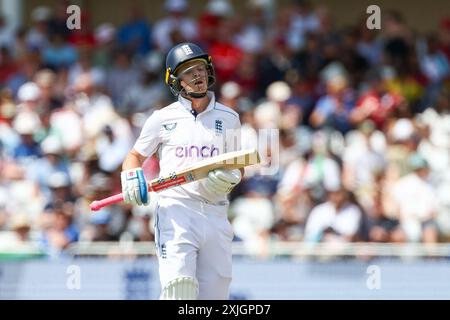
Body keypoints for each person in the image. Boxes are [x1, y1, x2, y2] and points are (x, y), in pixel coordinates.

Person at [120, 42, 243, 300]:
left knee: (216, 295)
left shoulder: (229, 117)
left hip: (216, 211)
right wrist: (131, 176)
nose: (197, 75)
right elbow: (134, 157)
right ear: (175, 80)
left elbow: (236, 165)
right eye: (188, 71)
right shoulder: (162, 118)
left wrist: (229, 180)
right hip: (176, 210)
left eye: (200, 68)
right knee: (180, 289)